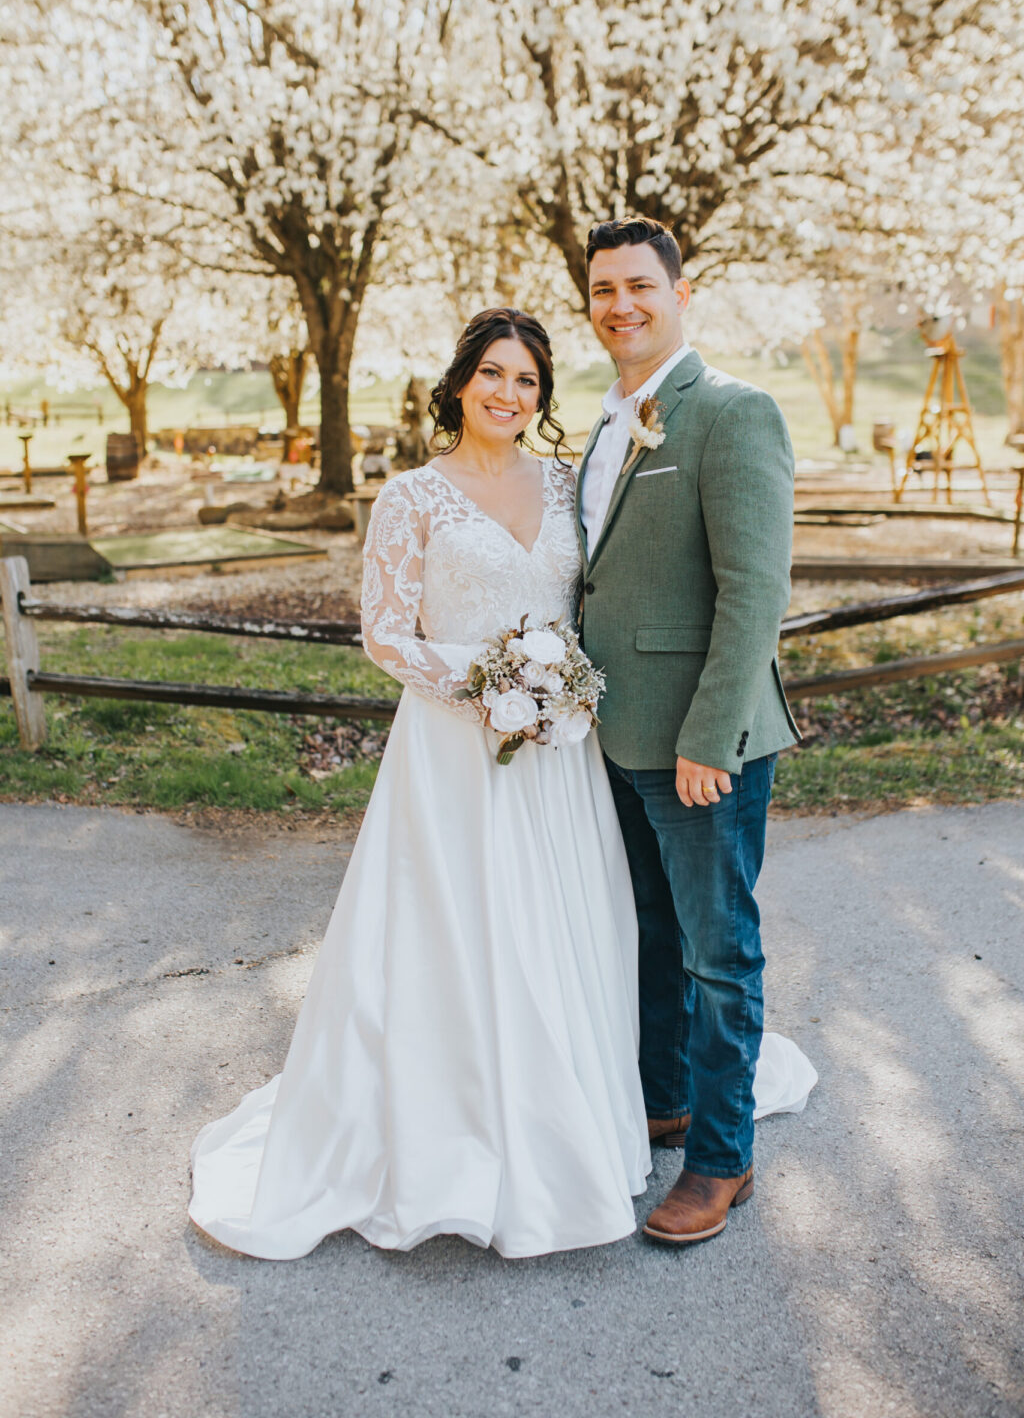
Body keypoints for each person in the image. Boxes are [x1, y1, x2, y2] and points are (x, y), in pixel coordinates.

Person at [188, 304, 813, 1262]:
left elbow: (607, 598)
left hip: (562, 760)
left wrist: (556, 692)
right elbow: (385, 634)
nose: (509, 395)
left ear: (541, 396)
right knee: (459, 933)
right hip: (453, 755)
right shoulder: (411, 497)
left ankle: (598, 1105)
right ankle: (459, 1129)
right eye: (493, 375)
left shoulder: (572, 486)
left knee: (577, 928)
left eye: (527, 381)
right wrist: (490, 688)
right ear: (460, 382)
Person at [577, 216, 807, 1245]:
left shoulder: (729, 413)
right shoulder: (604, 422)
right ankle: (664, 1102)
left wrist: (710, 735)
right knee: (651, 935)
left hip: (700, 746)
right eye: (599, 291)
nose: (618, 305)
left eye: (637, 285)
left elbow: (753, 591)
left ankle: (720, 1158)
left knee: (719, 952)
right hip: (613, 738)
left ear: (679, 292)